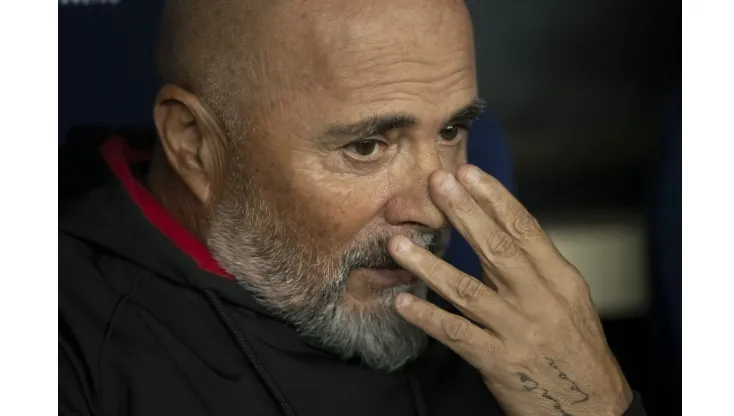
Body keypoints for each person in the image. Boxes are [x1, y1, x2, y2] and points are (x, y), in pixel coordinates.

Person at [59, 0, 648, 415]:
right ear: (194, 143)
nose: (435, 209)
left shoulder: (516, 343)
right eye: (366, 147)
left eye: (451, 132)